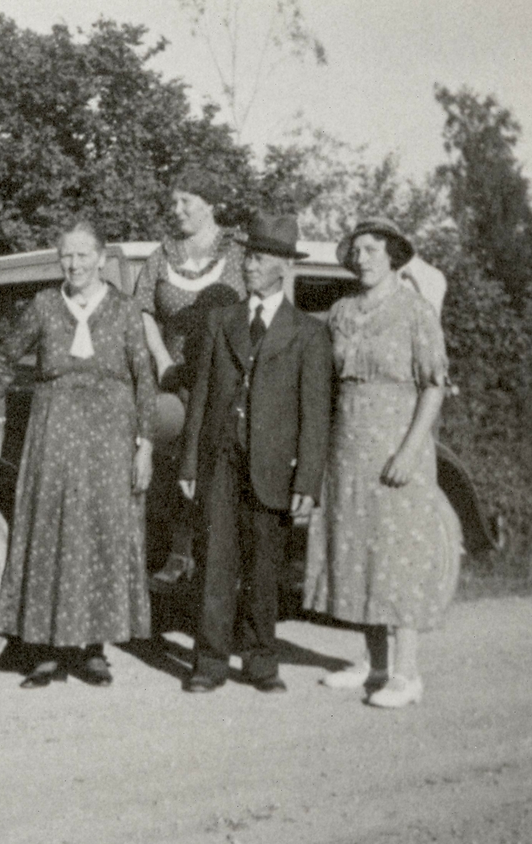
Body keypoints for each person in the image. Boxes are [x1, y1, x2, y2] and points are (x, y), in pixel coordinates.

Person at [0, 218, 157, 689]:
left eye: (84, 255)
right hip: (54, 436)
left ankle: (94, 650)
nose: (75, 264)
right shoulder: (44, 305)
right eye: (67, 255)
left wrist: (144, 445)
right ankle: (45, 652)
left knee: (101, 536)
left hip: (110, 439)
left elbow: (144, 379)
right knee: (50, 533)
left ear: (101, 259)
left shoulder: (125, 310)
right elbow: (5, 359)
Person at [177, 212, 332, 693]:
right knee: (214, 564)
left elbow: (315, 415)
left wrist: (307, 480)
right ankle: (209, 663)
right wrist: (189, 463)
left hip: (273, 468)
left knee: (264, 569)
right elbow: (202, 396)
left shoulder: (308, 333)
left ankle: (261, 663)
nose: (248, 265)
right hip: (221, 461)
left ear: (284, 266)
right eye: (247, 257)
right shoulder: (222, 321)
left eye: (260, 259)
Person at [303, 217, 453, 709]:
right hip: (348, 449)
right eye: (356, 250)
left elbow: (433, 387)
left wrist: (409, 451)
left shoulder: (415, 311)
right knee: (358, 551)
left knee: (398, 555)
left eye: (371, 249)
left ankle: (408, 674)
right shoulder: (341, 311)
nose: (361, 257)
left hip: (398, 447)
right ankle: (376, 664)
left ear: (393, 256)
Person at [133, 166, 247, 588]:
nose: (176, 209)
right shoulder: (161, 255)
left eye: (186, 201)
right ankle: (170, 552)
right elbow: (141, 310)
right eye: (174, 201)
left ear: (209, 204)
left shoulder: (240, 253)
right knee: (161, 447)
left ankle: (218, 562)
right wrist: (163, 360)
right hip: (174, 379)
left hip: (227, 381)